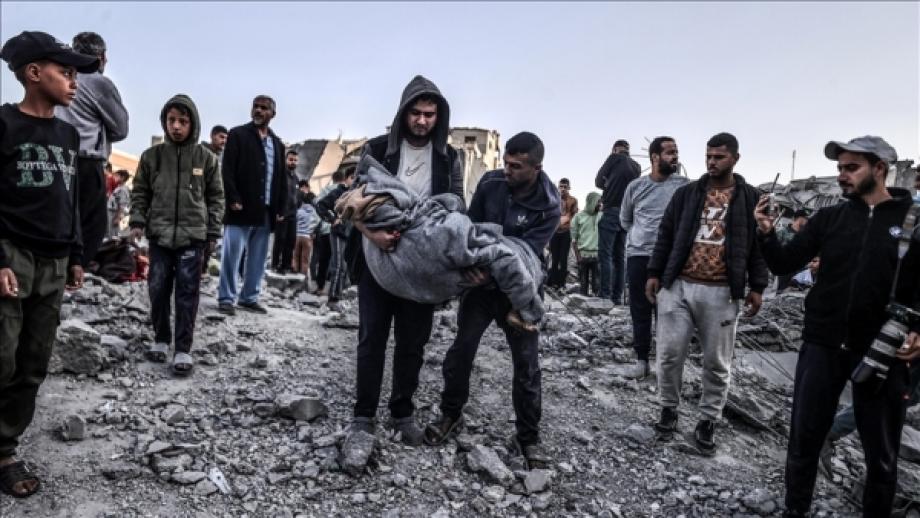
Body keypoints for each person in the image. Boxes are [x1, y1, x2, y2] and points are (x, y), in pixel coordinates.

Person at [754, 136, 920, 517]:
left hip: (883, 349)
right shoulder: (830, 218)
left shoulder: (912, 220)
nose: (842, 175)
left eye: (852, 168)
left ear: (879, 169)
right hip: (822, 344)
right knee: (804, 440)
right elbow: (784, 263)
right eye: (840, 168)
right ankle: (795, 509)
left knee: (881, 454)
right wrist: (766, 234)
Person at [425, 132, 560, 469]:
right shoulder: (490, 183)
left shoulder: (549, 204)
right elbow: (471, 231)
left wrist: (492, 273)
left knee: (526, 364)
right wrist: (470, 268)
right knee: (462, 349)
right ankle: (451, 414)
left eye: (516, 166)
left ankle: (528, 437)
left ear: (536, 168)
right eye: (506, 163)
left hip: (521, 291)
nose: (507, 170)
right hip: (481, 288)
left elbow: (527, 254)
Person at [342, 75, 464, 448]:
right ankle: (364, 415)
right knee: (372, 338)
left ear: (439, 117)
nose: (422, 121)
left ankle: (402, 413)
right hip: (377, 258)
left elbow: (457, 206)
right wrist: (372, 234)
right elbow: (352, 203)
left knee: (413, 342)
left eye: (429, 114)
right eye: (416, 113)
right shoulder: (378, 150)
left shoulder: (448, 158)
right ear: (403, 113)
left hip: (421, 267)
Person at [0, 30, 96, 498]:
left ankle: (4, 450)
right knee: (2, 355)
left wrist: (76, 254)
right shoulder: (4, 124)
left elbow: (70, 200)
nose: (75, 82)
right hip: (11, 256)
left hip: (54, 261)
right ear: (34, 73)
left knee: (33, 361)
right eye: (66, 72)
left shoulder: (68, 135)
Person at [645, 132, 767, 453]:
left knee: (716, 362)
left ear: (735, 159)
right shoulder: (687, 194)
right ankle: (668, 410)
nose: (712, 162)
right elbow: (666, 234)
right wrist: (655, 273)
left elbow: (757, 246)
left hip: (722, 292)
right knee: (669, 354)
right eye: (708, 156)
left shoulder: (751, 198)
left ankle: (708, 420)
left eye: (719, 157)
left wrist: (758, 286)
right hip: (678, 286)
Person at [129, 94, 224, 375]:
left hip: (192, 238)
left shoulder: (206, 159)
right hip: (159, 236)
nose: (176, 126)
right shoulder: (152, 157)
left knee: (187, 292)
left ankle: (183, 348)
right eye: (171, 120)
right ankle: (161, 339)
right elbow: (140, 192)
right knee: (158, 288)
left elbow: (216, 198)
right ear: (165, 122)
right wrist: (137, 221)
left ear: (193, 124)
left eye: (183, 121)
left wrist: (212, 232)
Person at [55, 32, 128, 268]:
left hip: (57, 158)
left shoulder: (60, 78)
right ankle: (73, 271)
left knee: (62, 220)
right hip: (86, 162)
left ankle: (58, 270)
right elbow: (121, 128)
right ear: (101, 57)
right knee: (93, 226)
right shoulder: (99, 83)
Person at [620, 136, 688, 379]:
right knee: (640, 309)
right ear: (655, 157)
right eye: (670, 152)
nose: (675, 156)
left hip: (670, 258)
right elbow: (625, 220)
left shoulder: (683, 186)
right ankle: (641, 361)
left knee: (668, 311)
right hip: (639, 255)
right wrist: (643, 237)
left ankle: (663, 363)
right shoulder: (636, 187)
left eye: (676, 152)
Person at [217, 95, 288, 315]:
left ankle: (249, 297)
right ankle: (226, 297)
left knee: (258, 257)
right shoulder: (238, 134)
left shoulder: (277, 144)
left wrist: (281, 208)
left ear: (273, 114)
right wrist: (233, 198)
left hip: (265, 210)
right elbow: (227, 170)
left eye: (264, 108)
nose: (258, 110)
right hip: (240, 207)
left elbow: (280, 179)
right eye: (255, 107)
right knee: (232, 254)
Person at [595, 139, 640, 304]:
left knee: (605, 254)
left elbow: (598, 181)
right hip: (627, 213)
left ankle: (605, 295)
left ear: (615, 149)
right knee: (620, 257)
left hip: (612, 210)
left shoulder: (613, 158)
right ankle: (617, 297)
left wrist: (608, 184)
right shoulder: (636, 166)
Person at [315, 167, 356, 308]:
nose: (354, 181)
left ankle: (340, 295)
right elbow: (320, 205)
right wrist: (332, 219)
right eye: (352, 178)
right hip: (338, 232)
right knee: (337, 265)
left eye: (356, 178)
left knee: (346, 267)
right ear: (346, 179)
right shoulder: (338, 192)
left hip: (351, 235)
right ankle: (332, 297)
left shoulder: (358, 194)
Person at [271, 149, 300, 274]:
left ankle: (286, 265)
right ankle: (275, 265)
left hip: (293, 214)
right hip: (282, 213)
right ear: (286, 160)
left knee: (291, 240)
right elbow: (276, 194)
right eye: (291, 159)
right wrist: (278, 211)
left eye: (295, 160)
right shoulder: (280, 175)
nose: (293, 162)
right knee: (280, 240)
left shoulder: (296, 178)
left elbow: (296, 196)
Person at [547, 178, 578, 290]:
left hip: (566, 232)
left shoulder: (573, 200)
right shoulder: (553, 199)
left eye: (565, 187)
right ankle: (553, 283)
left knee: (563, 259)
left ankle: (561, 284)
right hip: (554, 232)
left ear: (569, 188)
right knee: (554, 258)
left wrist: (564, 219)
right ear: (558, 187)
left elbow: (572, 216)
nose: (563, 189)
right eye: (561, 186)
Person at [570, 191, 601, 296]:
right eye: (598, 201)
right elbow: (574, 239)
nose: (600, 204)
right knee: (583, 285)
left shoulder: (601, 216)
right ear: (591, 201)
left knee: (597, 285)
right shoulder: (578, 217)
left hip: (597, 256)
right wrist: (578, 257)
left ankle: (596, 302)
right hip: (583, 256)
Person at [775, 209, 809, 292]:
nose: (807, 221)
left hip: (800, 271)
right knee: (781, 293)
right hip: (785, 270)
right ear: (800, 218)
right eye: (806, 218)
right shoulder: (782, 232)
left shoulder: (805, 236)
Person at [293, 189, 318, 289]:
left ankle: (294, 278)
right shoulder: (314, 212)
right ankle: (303, 282)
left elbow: (294, 222)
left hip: (297, 236)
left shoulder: (298, 211)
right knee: (305, 260)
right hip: (308, 237)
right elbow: (316, 223)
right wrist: (311, 231)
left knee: (295, 258)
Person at [106, 169, 130, 239]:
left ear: (122, 178)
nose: (114, 177)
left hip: (114, 214)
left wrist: (117, 218)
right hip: (110, 212)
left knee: (112, 235)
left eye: (117, 176)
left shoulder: (123, 189)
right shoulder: (118, 188)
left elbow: (122, 205)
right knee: (108, 233)